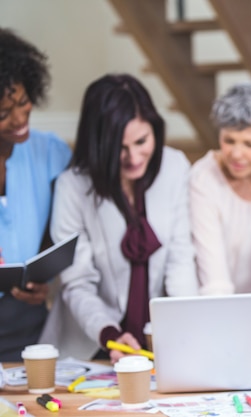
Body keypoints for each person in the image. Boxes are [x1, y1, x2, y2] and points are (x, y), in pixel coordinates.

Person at [40, 74, 198, 362]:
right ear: (98, 144)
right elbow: (77, 283)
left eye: (142, 141)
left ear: (156, 130)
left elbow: (180, 260)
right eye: (120, 148)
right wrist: (109, 334)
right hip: (92, 347)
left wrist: (186, 330)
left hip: (163, 343)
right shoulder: (72, 187)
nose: (134, 157)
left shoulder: (174, 167)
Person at [0, 28, 72, 361]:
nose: (19, 118)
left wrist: (45, 279)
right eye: (3, 113)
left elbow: (59, 232)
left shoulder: (51, 153)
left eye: (23, 101)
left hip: (32, 328)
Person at [189, 81, 251, 295]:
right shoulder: (204, 179)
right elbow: (215, 282)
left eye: (249, 144)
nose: (236, 154)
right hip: (219, 306)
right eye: (229, 141)